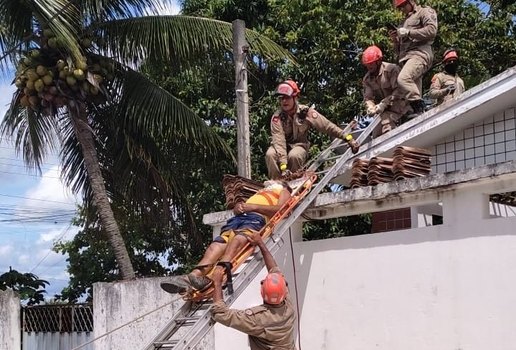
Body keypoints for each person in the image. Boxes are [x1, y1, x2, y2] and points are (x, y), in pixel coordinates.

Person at [161, 180, 292, 293]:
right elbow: (240, 208)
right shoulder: (260, 192)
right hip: (238, 218)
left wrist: (254, 207)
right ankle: (193, 276)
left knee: (237, 240)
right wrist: (238, 208)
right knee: (215, 246)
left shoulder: (283, 190)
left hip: (256, 219)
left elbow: (282, 209)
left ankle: (214, 276)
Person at [211, 231, 296, 350]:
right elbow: (274, 270)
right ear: (284, 291)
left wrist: (217, 282)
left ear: (262, 291)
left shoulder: (257, 318)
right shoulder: (288, 306)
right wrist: (261, 243)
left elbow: (221, 314)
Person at [265, 80, 359, 180]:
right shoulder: (277, 117)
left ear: (295, 97)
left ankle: (293, 183)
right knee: (270, 154)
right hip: (280, 148)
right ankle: (276, 184)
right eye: (281, 98)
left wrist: (348, 138)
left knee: (294, 155)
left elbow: (327, 126)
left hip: (299, 146)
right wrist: (283, 167)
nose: (284, 101)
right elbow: (279, 141)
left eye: (287, 98)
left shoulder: (305, 112)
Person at [389, 0, 438, 117]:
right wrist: (395, 40)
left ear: (411, 1)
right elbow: (398, 51)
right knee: (412, 94)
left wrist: (409, 32)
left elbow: (432, 31)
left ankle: (420, 105)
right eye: (399, 7)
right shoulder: (403, 22)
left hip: (419, 54)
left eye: (403, 6)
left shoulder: (424, 12)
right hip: (406, 59)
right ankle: (419, 112)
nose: (401, 9)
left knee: (403, 79)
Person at [361, 45, 409, 137]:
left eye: (371, 63)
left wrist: (384, 103)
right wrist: (370, 107)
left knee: (387, 127)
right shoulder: (367, 79)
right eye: (367, 64)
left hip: (401, 107)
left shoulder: (391, 69)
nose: (368, 67)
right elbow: (368, 97)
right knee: (375, 135)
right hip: (384, 112)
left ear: (378, 61)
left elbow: (399, 91)